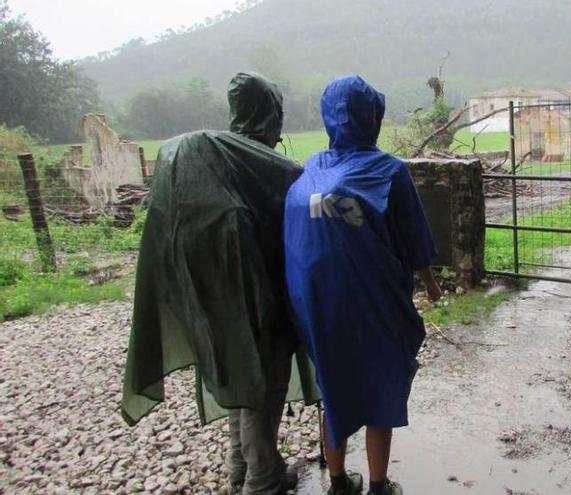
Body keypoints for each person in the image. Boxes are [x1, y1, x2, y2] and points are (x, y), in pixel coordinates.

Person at [121, 72, 320, 495]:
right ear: (268, 113)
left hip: (201, 294)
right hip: (251, 297)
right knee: (263, 377)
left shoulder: (210, 155)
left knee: (237, 370)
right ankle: (261, 480)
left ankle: (240, 465)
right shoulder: (266, 166)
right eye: (277, 112)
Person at [283, 75, 442, 495]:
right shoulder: (389, 170)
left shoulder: (313, 168)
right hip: (373, 300)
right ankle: (377, 485)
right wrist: (430, 284)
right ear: (372, 117)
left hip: (315, 301)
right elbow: (414, 237)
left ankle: (337, 482)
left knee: (333, 381)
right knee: (381, 381)